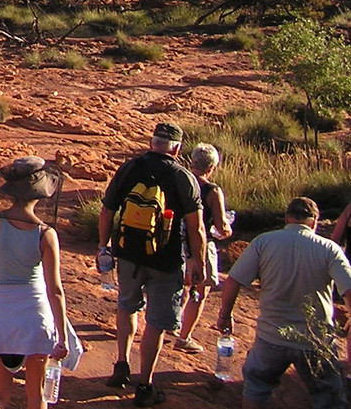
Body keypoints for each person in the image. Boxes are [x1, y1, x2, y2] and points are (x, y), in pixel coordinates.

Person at [0, 156, 82, 409]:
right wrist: (63, 338)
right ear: (40, 193)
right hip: (35, 317)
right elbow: (55, 290)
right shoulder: (46, 234)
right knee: (37, 395)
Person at [98, 121, 205, 406]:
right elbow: (196, 227)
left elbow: (107, 211)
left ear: (151, 143)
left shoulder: (129, 168)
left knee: (126, 305)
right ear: (177, 149)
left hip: (128, 254)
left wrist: (103, 246)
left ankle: (121, 365)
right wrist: (198, 262)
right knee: (156, 323)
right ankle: (145, 385)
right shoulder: (183, 177)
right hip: (166, 260)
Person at [214, 196, 351, 409]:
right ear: (315, 221)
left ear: (287, 218)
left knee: (256, 387)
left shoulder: (263, 242)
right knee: (328, 395)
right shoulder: (329, 249)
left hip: (271, 337)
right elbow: (348, 289)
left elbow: (233, 281)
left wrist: (225, 315)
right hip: (314, 339)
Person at [175, 143, 232, 353]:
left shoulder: (179, 180)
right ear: (211, 168)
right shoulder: (212, 190)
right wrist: (227, 229)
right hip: (200, 244)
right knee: (200, 290)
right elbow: (221, 226)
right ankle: (184, 337)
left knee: (179, 285)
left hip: (174, 241)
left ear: (192, 161)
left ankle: (171, 324)